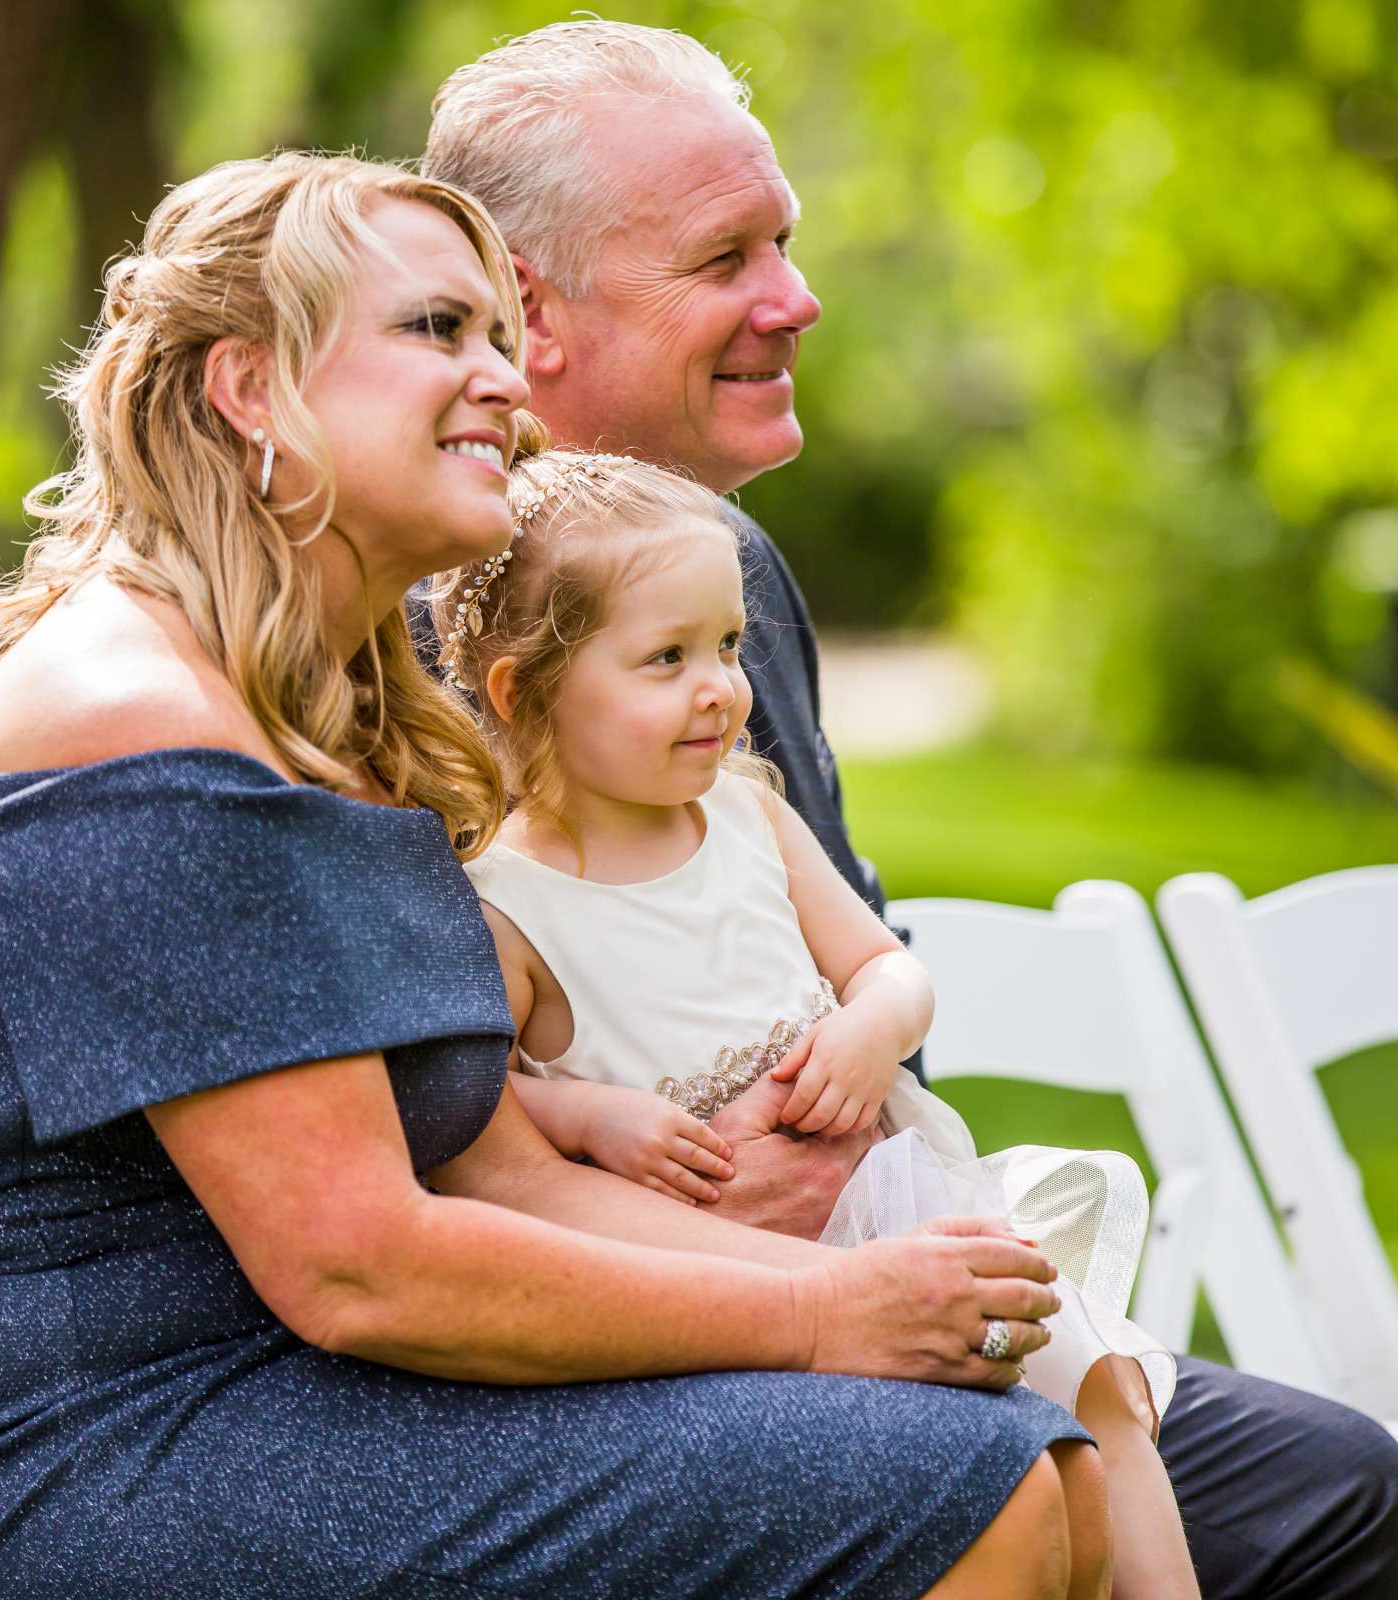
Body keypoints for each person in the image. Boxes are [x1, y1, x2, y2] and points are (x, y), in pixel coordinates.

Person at [0, 150, 1109, 1600]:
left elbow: (509, 1175)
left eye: (502, 340)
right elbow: (360, 1268)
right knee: (971, 1493)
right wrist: (825, 1319)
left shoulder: (320, 719)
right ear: (250, 388)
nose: (504, 383)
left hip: (329, 1393)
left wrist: (883, 1292)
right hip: (138, 1457)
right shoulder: (136, 725)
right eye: (436, 330)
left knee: (1023, 1440)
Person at [423, 21, 1398, 1598]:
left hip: (872, 1242)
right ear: (531, 314)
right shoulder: (412, 638)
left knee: (1331, 1491)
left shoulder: (741, 581)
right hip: (618, 1337)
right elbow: (431, 1125)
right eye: (726, 258)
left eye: (790, 242)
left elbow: (849, 960)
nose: (797, 299)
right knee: (1015, 1489)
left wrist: (849, 1117)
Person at [438, 446, 1198, 1599]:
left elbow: (889, 969)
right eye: (667, 658)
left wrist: (872, 1031)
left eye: (730, 646)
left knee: (1096, 1396)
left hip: (892, 1206)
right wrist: (587, 1111)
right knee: (961, 1491)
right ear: (520, 690)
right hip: (718, 1283)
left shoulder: (747, 816)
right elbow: (480, 1108)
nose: (722, 688)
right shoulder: (508, 904)